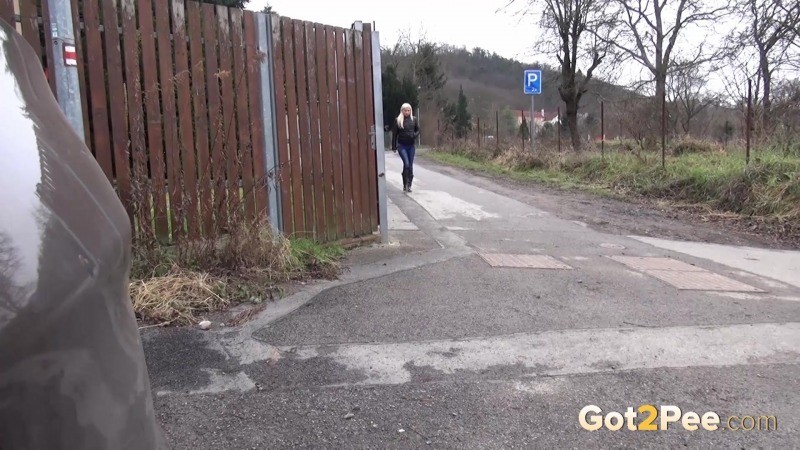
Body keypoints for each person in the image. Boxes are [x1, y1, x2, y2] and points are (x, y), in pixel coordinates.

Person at [391, 103, 419, 192]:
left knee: (410, 166)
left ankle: (408, 185)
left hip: (411, 146)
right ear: (402, 111)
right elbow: (394, 134)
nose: (407, 112)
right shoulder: (398, 120)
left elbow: (418, 130)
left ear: (410, 111)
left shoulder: (413, 119)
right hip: (402, 146)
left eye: (408, 110)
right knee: (406, 164)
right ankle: (405, 183)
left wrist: (414, 135)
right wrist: (394, 146)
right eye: (405, 110)